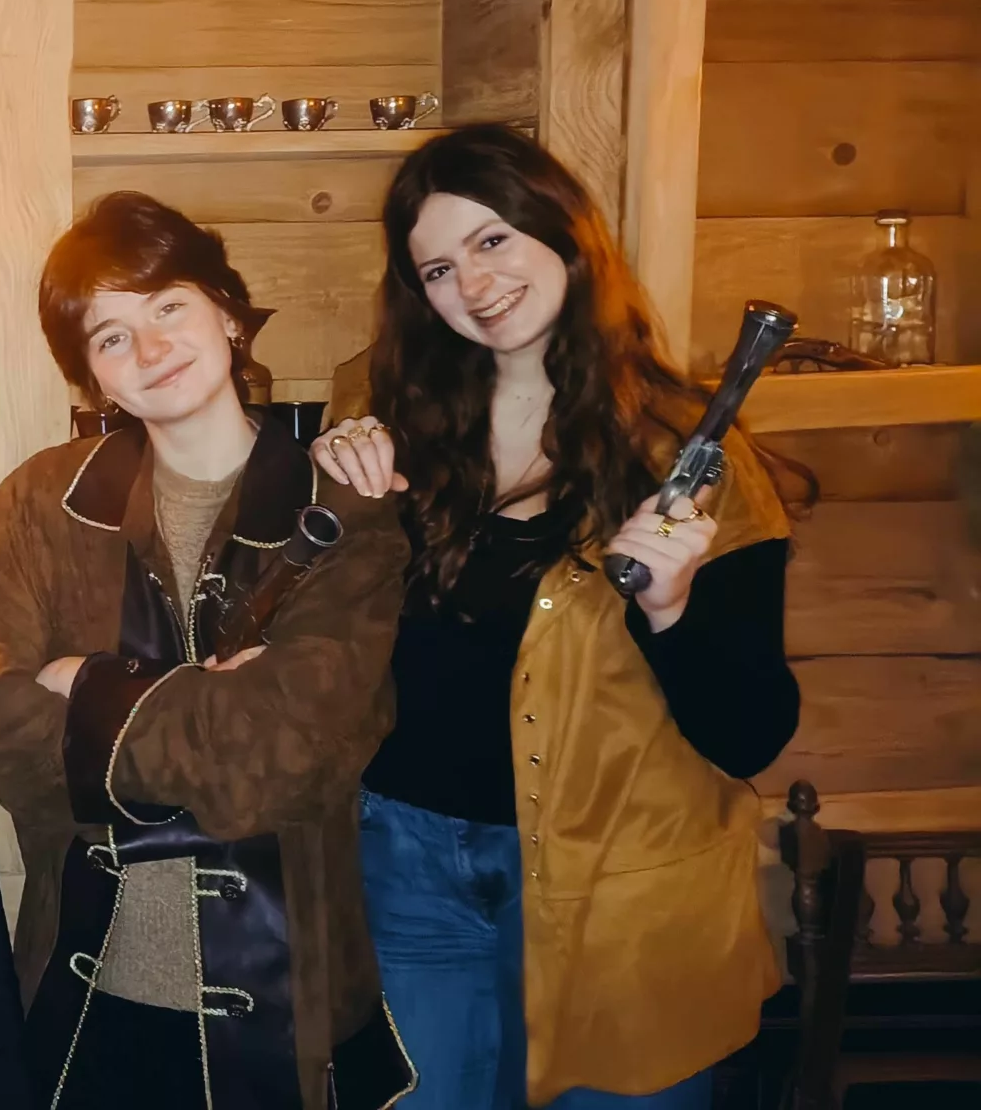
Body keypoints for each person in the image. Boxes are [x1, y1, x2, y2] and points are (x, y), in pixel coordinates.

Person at [311, 125, 801, 1110]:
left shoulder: (686, 456)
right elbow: (322, 625)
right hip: (407, 871)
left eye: (492, 239)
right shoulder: (380, 408)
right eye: (438, 268)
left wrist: (670, 609)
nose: (473, 283)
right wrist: (330, 493)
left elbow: (751, 734)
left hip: (625, 888)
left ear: (565, 234)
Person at [0, 192, 414, 1110]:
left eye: (169, 306)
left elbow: (289, 756)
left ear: (230, 316)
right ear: (94, 380)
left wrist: (85, 687)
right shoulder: (40, 503)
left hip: (287, 1007)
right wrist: (211, 710)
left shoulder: (344, 507)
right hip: (83, 997)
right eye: (111, 336)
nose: (151, 347)